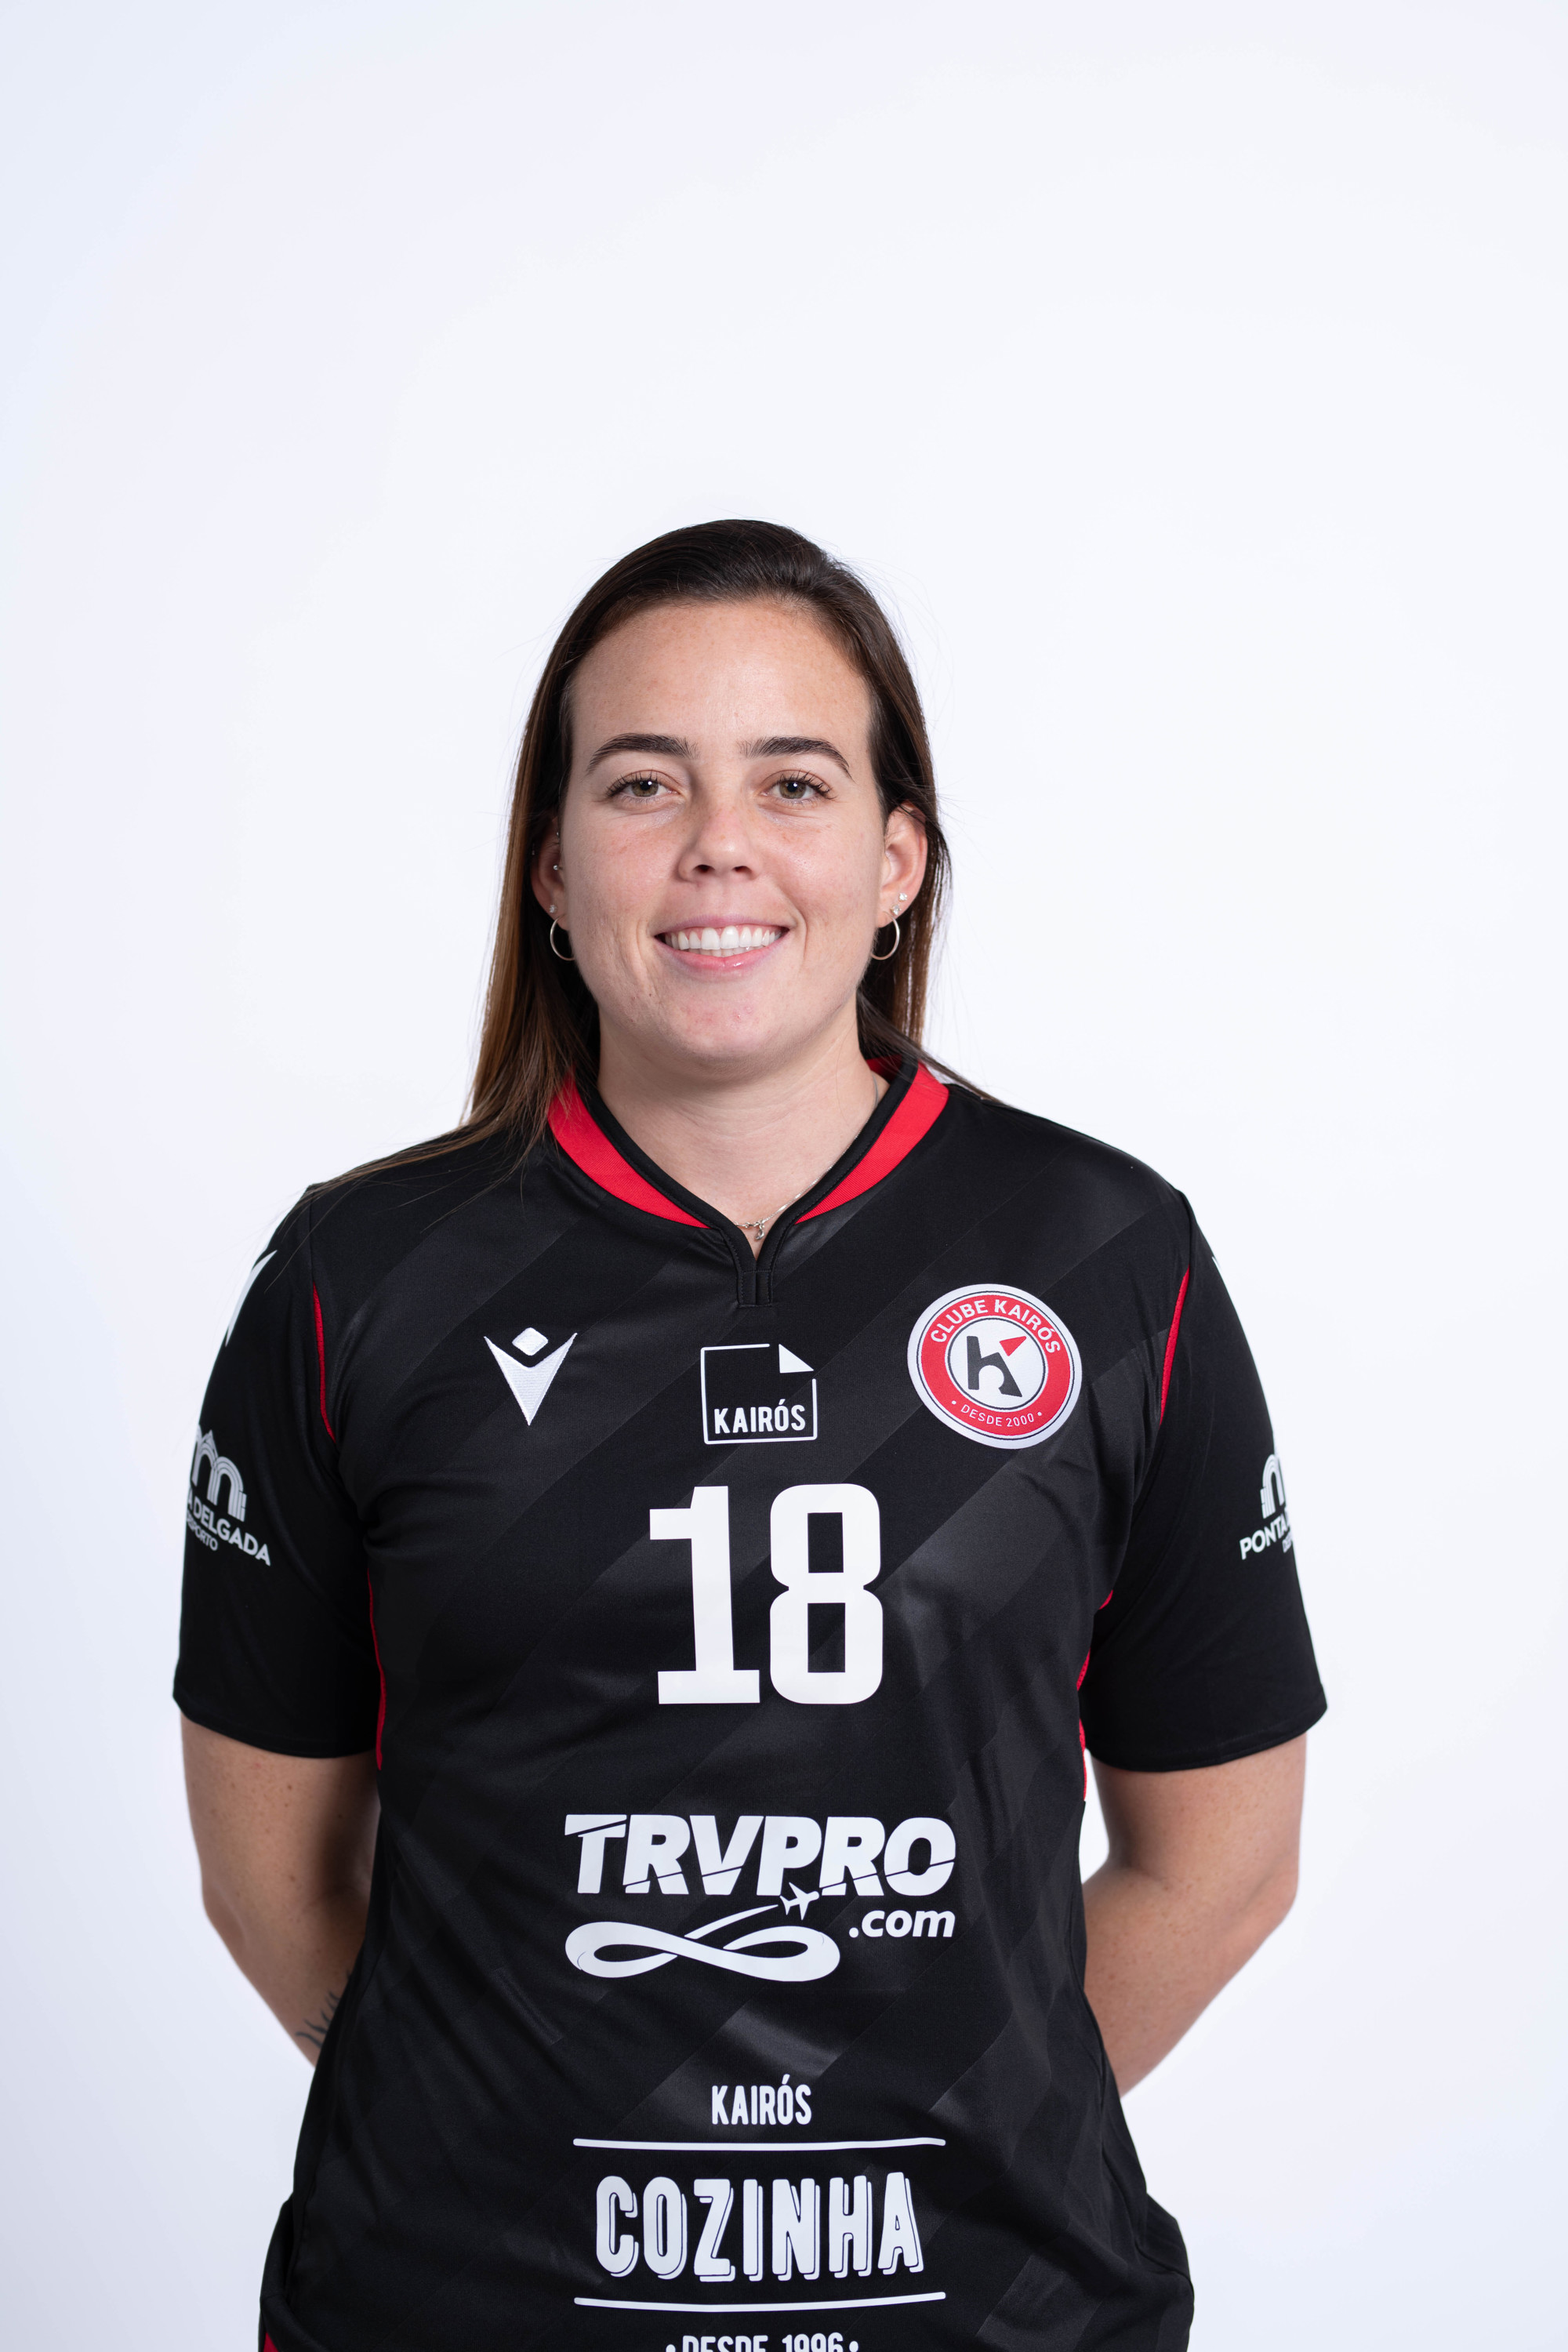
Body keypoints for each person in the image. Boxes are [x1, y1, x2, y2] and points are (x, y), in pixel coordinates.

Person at [176, 519, 1325, 2352]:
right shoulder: (360, 1281)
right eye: (644, 783)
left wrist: (956, 2129)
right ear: (551, 869)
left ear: (895, 861)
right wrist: (481, 2131)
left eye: (792, 781)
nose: (718, 843)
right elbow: (272, 1881)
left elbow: (1223, 1862)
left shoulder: (1106, 1261)